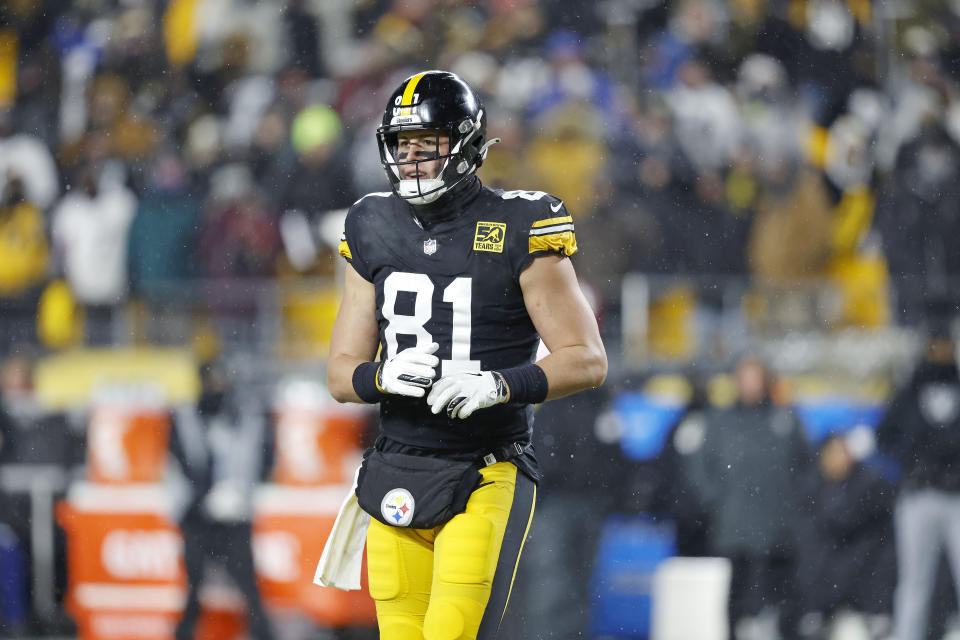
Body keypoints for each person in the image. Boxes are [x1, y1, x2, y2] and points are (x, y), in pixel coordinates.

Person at [323, 70, 607, 640]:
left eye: (427, 144)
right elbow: (338, 374)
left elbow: (587, 358)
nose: (412, 160)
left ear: (467, 143)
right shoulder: (372, 223)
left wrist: (501, 384)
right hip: (397, 466)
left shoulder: (519, 222)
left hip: (484, 468)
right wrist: (380, 376)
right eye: (402, 146)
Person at [689, 355, 810, 640]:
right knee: (737, 598)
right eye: (745, 377)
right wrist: (718, 502)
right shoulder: (720, 421)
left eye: (756, 377)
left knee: (781, 599)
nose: (750, 384)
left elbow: (806, 466)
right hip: (736, 528)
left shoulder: (785, 419)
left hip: (779, 530)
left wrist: (792, 505)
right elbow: (700, 468)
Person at [169, 361, 275, 640]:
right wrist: (203, 496)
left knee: (249, 590)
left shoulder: (246, 415)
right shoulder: (186, 416)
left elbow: (263, 458)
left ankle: (263, 635)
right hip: (197, 517)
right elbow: (179, 461)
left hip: (235, 517)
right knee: (193, 589)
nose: (217, 387)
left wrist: (238, 493)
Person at [877, 317, 960, 640]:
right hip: (918, 495)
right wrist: (913, 463)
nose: (939, 352)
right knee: (914, 581)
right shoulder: (909, 389)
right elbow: (886, 436)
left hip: (956, 496)